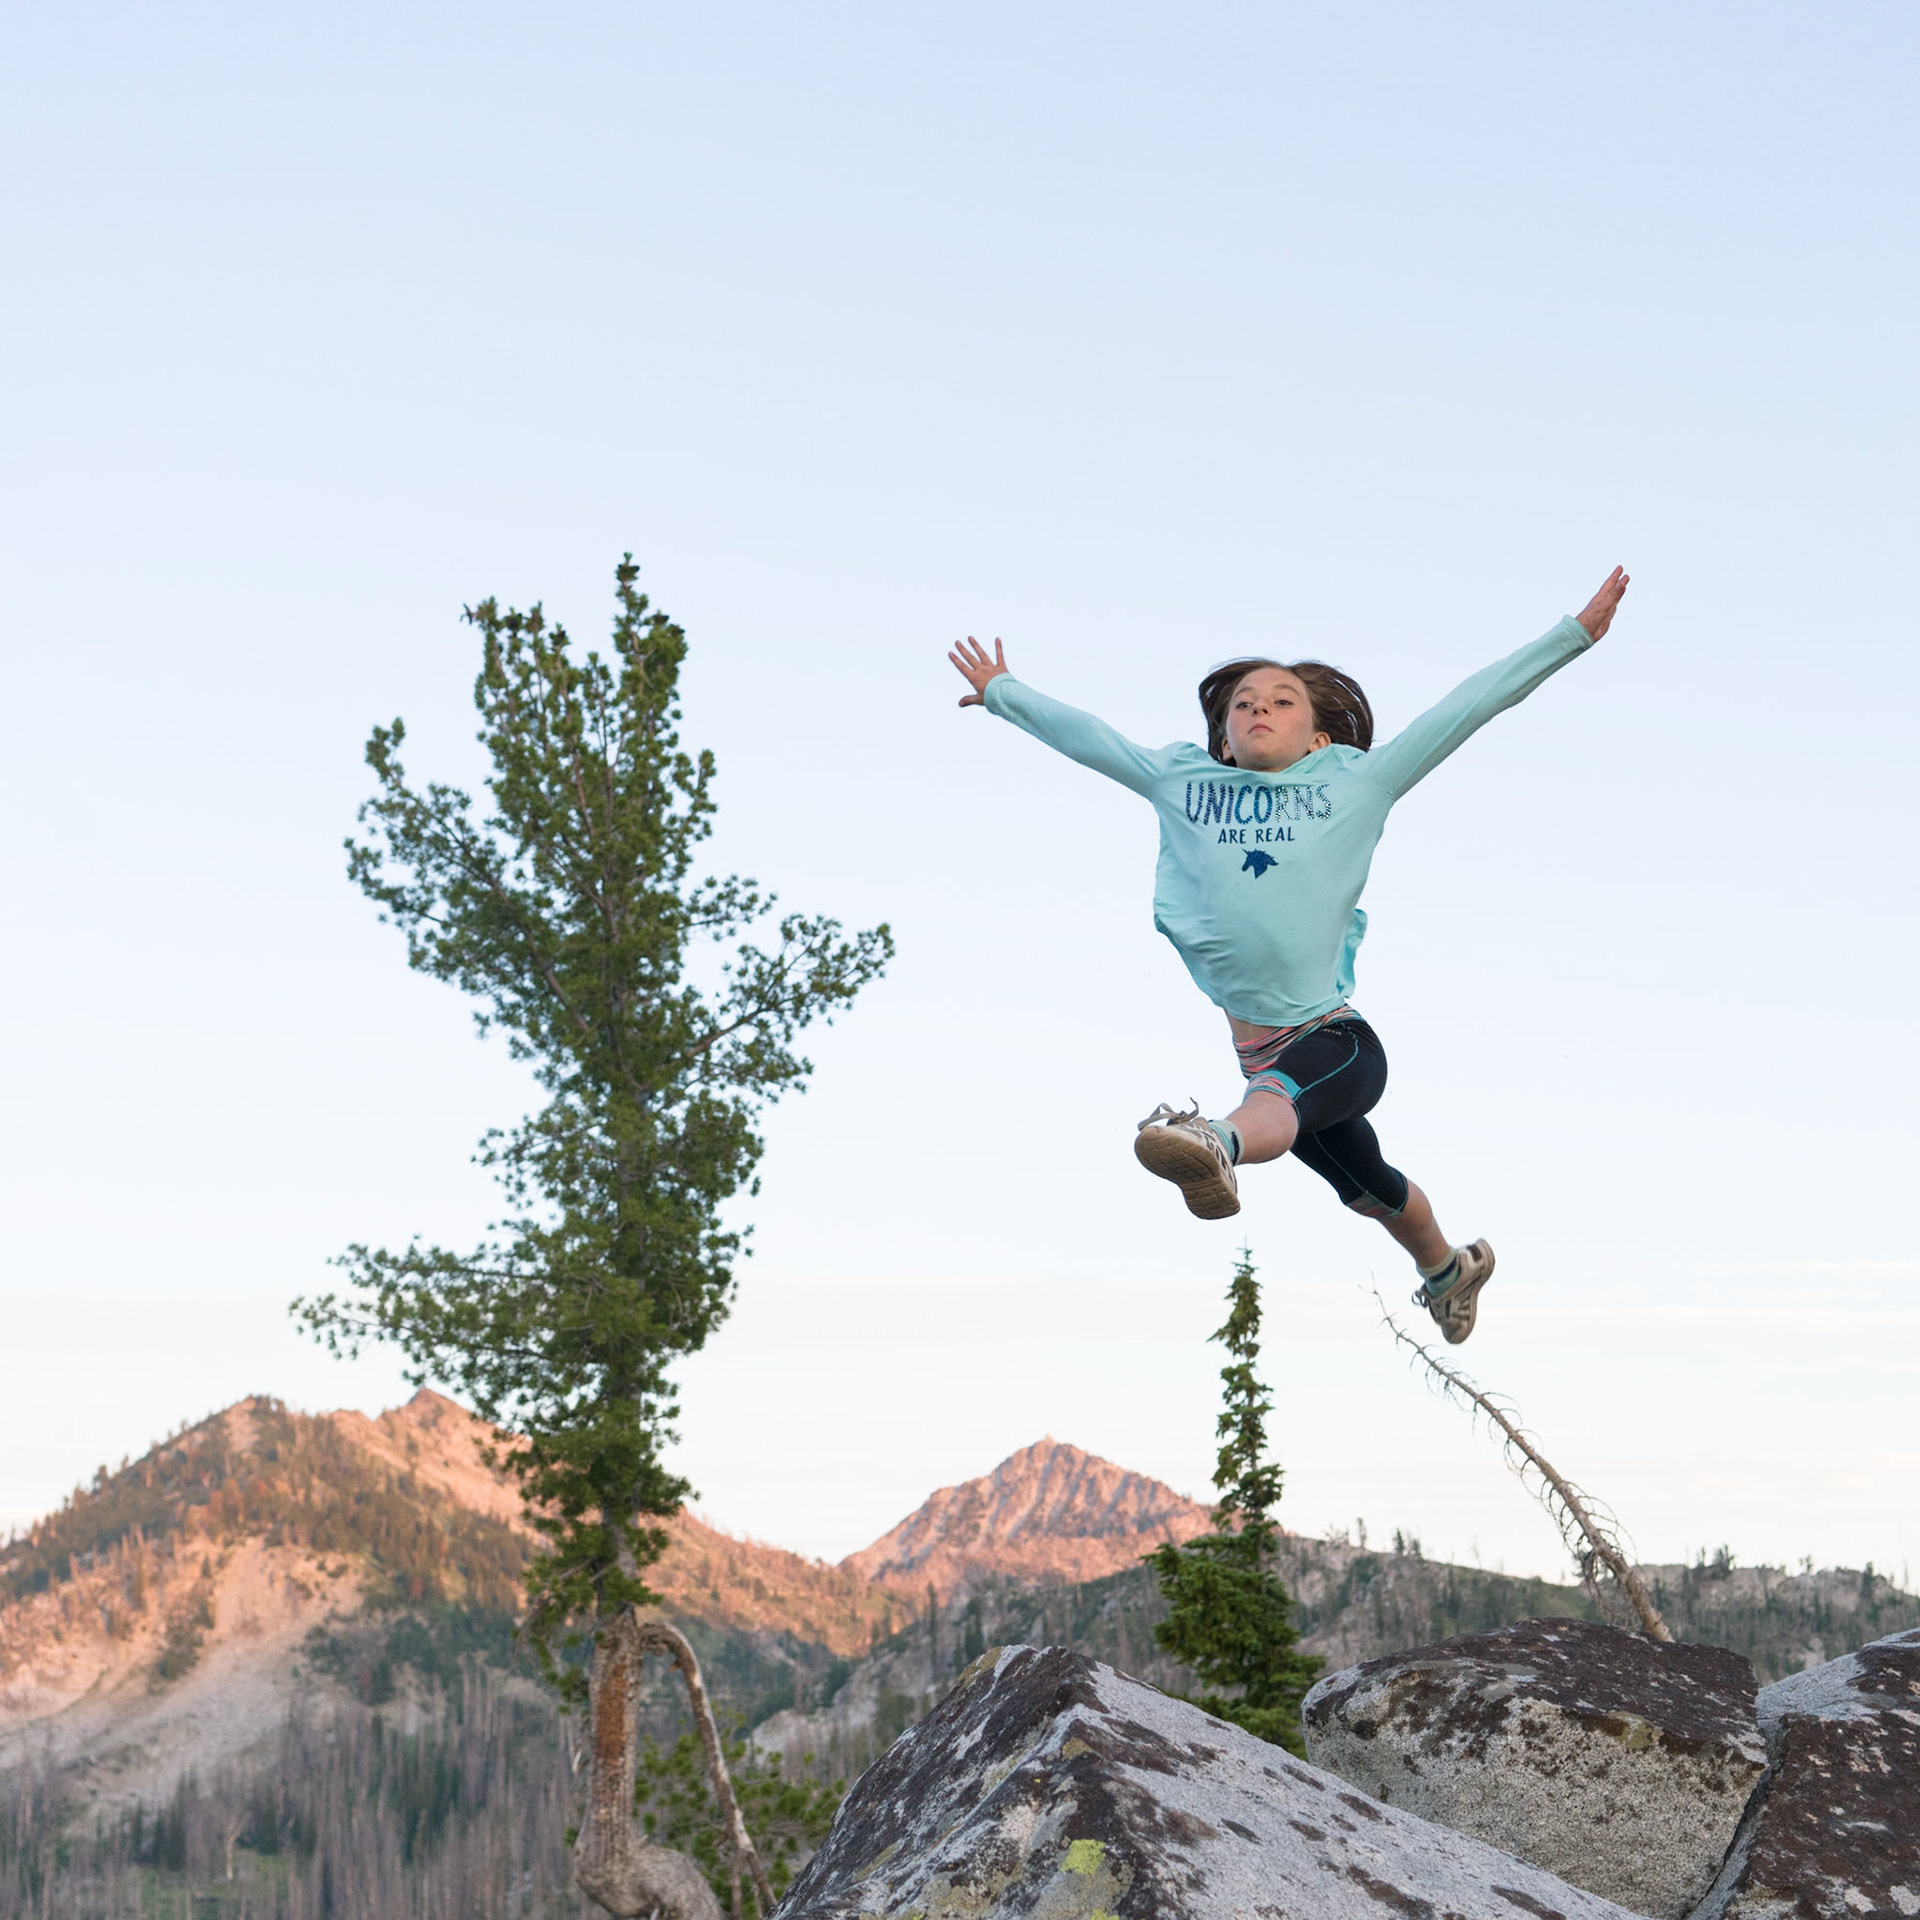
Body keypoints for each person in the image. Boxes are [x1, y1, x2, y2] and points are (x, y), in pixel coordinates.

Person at [948, 568, 1628, 1345]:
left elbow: (1467, 707)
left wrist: (1571, 636)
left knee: (1274, 1102)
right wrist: (1003, 692)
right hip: (1265, 1059)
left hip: (1335, 1041)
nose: (1259, 710)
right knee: (1369, 1189)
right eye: (1243, 704)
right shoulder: (1182, 781)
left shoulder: (1361, 784)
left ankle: (1217, 1141)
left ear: (1318, 739)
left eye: (1281, 701)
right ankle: (1449, 1269)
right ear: (1224, 740)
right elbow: (1092, 740)